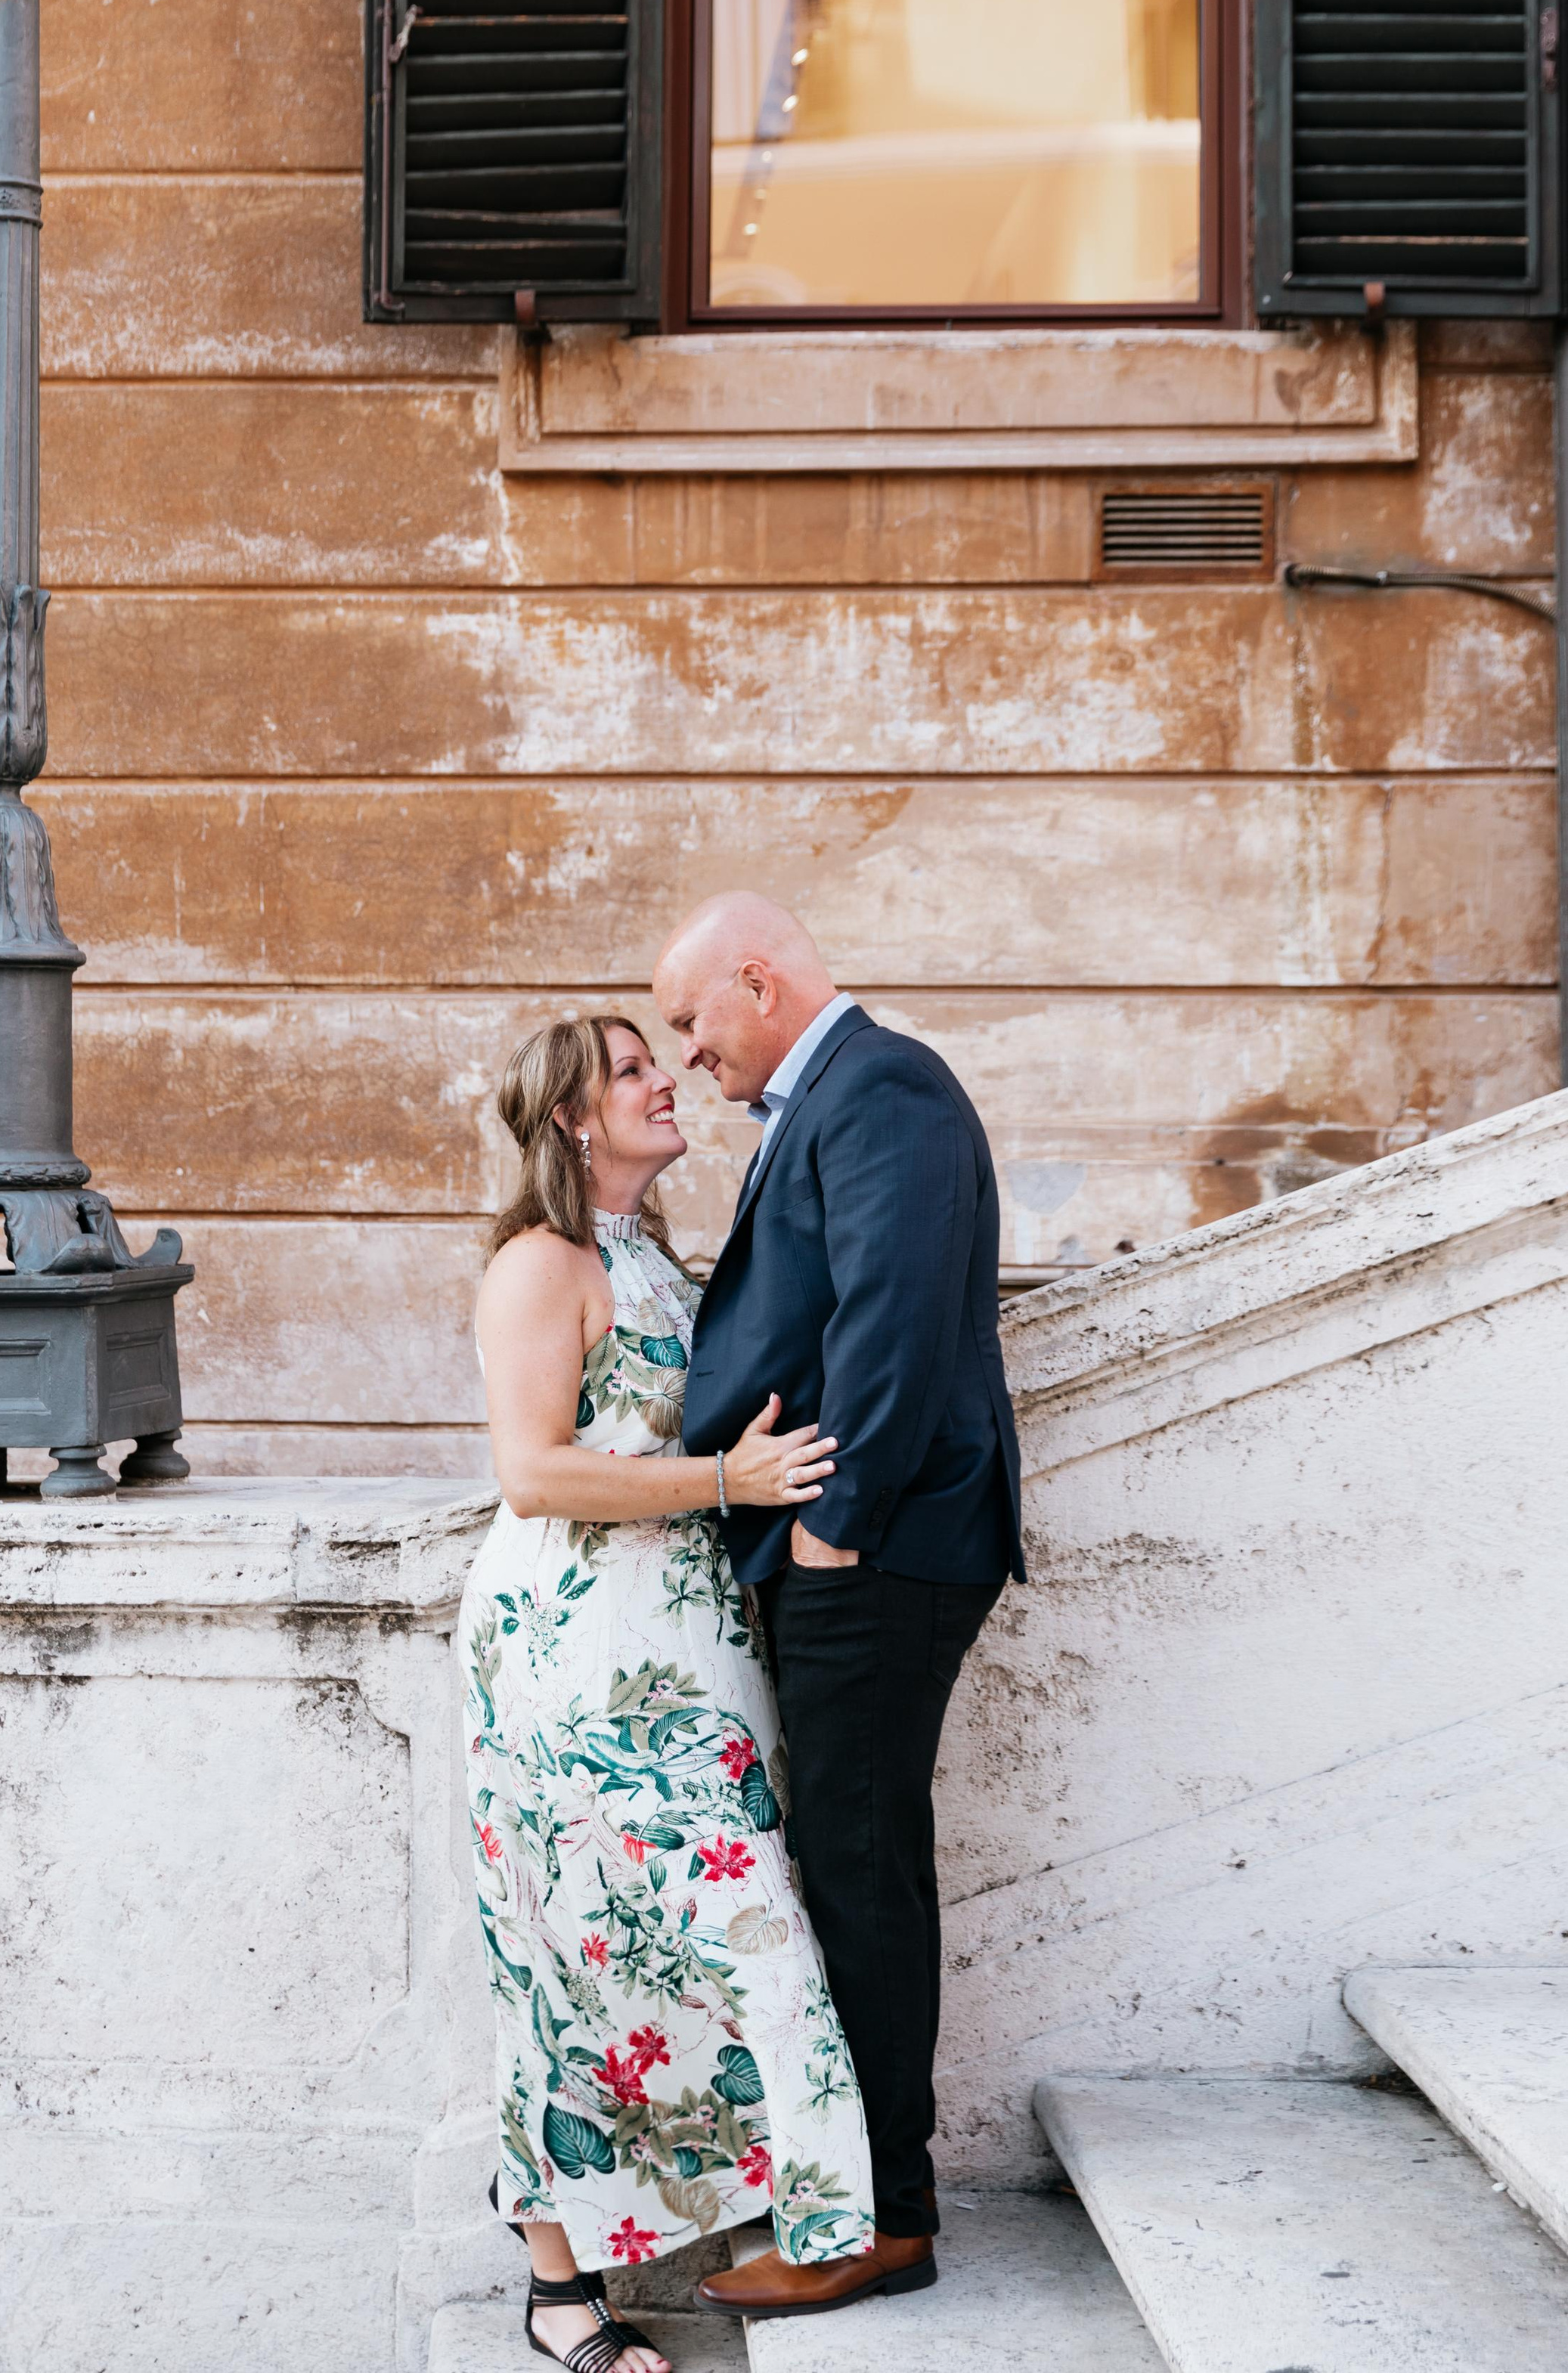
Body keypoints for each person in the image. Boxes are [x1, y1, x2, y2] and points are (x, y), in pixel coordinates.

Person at [463, 1014, 878, 2370]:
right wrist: (728, 1481)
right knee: (570, 1955)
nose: (666, 1082)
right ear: (575, 1120)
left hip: (694, 1653)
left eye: (661, 1059)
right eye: (633, 1071)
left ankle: (790, 2221)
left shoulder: (648, 1255)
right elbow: (533, 1473)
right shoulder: (540, 1263)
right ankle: (558, 2284)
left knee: (706, 1932)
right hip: (574, 1660)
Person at [650, 895, 1024, 2325]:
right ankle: (857, 2192)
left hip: (882, 1553)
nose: (690, 1055)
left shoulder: (886, 1088)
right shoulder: (841, 1099)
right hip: (856, 1550)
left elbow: (898, 1317)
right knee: (849, 1856)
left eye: (696, 1021)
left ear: (759, 980)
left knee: (860, 1866)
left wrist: (834, 1528)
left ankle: (884, 2216)